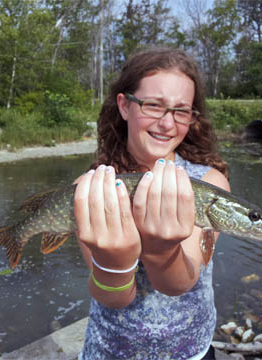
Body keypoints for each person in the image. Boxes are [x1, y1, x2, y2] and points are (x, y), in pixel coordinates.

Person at [73, 47, 230, 359]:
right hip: (108, 352)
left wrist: (161, 251)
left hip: (191, 353)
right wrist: (113, 263)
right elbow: (112, 297)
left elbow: (180, 284)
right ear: (124, 106)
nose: (167, 124)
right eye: (153, 106)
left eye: (181, 111)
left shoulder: (210, 185)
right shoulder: (90, 189)